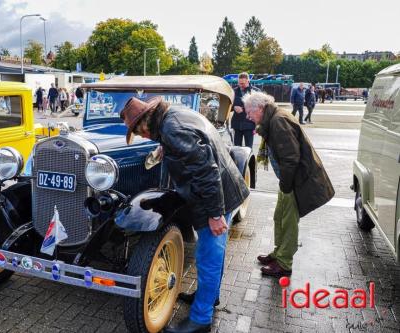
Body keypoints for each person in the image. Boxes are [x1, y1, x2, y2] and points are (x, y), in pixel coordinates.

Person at [120, 97, 249, 333]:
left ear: (145, 125)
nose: (142, 137)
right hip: (223, 189)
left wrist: (216, 214)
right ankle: (209, 297)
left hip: (216, 196)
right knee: (214, 254)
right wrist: (165, 147)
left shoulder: (172, 129)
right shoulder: (174, 115)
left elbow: (206, 172)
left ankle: (201, 319)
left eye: (138, 132)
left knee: (208, 257)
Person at [244, 91, 334, 277]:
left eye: (249, 112)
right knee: (280, 217)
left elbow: (290, 158)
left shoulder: (278, 121)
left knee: (288, 221)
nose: (248, 116)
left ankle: (284, 263)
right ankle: (279, 253)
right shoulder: (274, 118)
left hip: (294, 182)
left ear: (260, 108)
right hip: (289, 180)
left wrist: (286, 187)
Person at [231, 72, 259, 148]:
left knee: (248, 148)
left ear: (248, 81)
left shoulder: (255, 92)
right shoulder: (233, 91)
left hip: (249, 124)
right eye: (239, 83)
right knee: (236, 148)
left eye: (243, 83)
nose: (240, 85)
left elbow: (259, 108)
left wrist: (244, 109)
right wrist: (234, 107)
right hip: (237, 124)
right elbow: (229, 105)